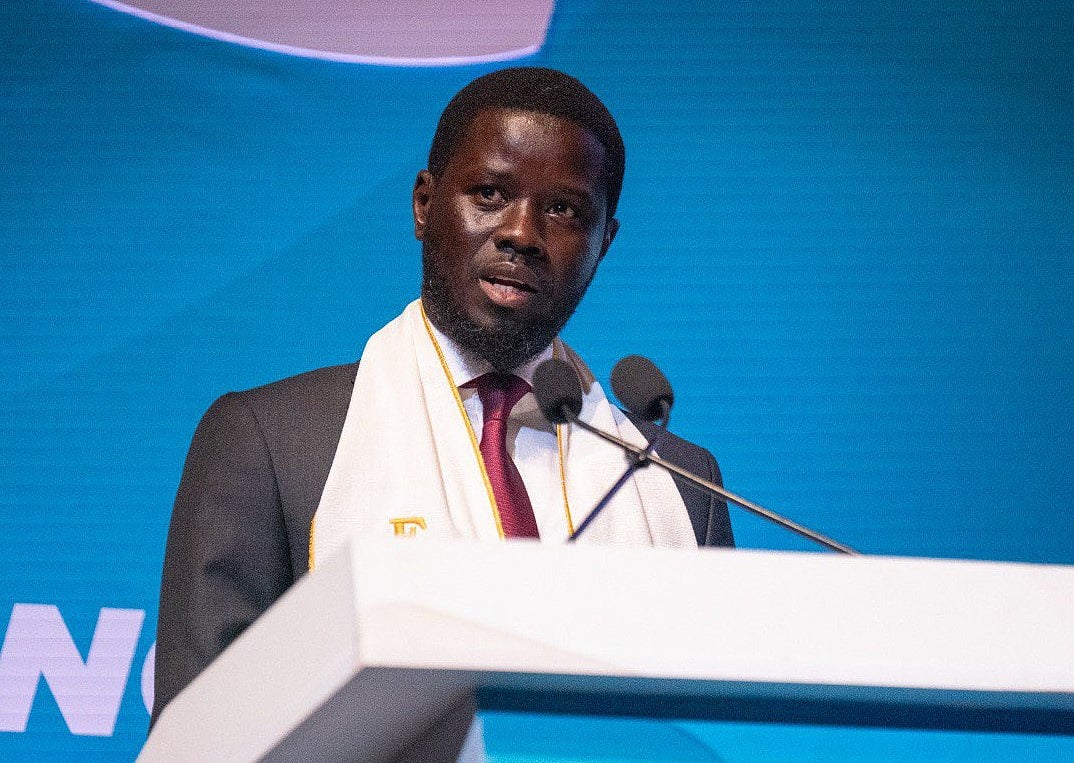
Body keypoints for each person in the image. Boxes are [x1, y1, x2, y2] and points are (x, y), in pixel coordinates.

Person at [151, 67, 734, 726]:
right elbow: (197, 736)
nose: (522, 233)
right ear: (424, 205)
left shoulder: (678, 485)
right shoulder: (273, 445)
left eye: (563, 211)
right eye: (490, 194)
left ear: (604, 242)